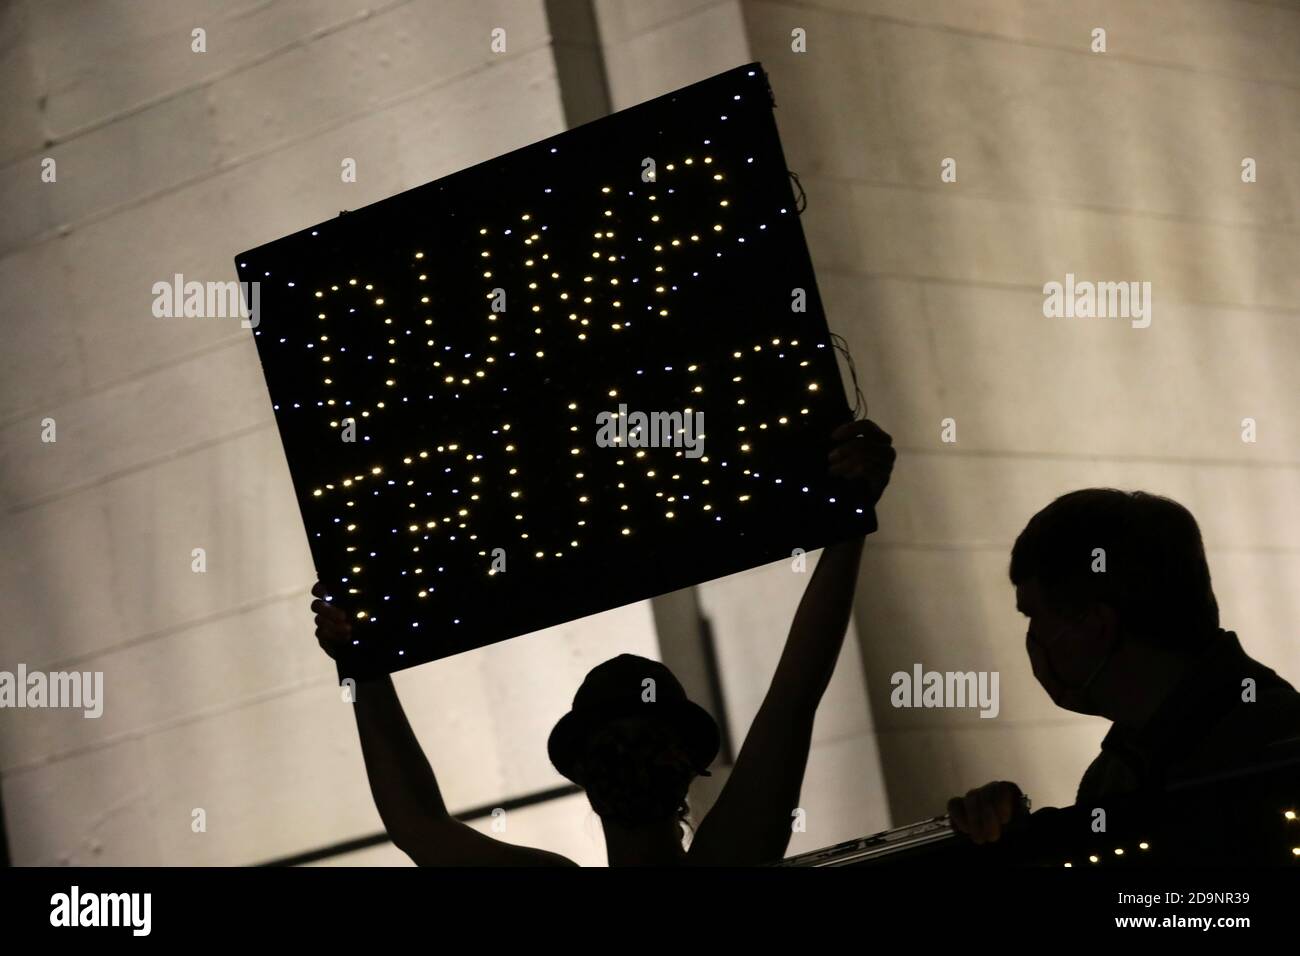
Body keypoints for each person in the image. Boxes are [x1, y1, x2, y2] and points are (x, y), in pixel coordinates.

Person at [311, 419, 895, 865]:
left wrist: (362, 666)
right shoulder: (732, 856)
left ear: (583, 773)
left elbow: (416, 824)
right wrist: (851, 517)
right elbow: (794, 695)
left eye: (622, 739)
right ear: (690, 763)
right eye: (633, 738)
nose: (630, 751)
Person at [948, 489, 1300, 844]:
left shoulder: (1270, 755)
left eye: (1034, 617)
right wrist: (1010, 832)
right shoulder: (1126, 763)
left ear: (1097, 625)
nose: (1031, 639)